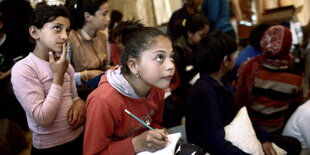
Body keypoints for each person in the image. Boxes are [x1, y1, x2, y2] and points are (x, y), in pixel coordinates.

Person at [185, 31, 301, 154]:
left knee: (293, 144)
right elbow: (216, 142)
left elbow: (237, 115)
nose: (236, 57)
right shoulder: (205, 92)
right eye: (234, 54)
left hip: (229, 132)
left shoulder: (221, 81)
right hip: (211, 148)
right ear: (226, 60)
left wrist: (263, 138)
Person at [83, 26, 175, 154]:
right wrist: (136, 144)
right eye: (159, 58)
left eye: (171, 57)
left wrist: (156, 134)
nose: (171, 66)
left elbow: (155, 123)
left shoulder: (157, 87)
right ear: (134, 65)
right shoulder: (103, 101)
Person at [11, 5, 85, 154]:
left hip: (78, 139)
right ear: (34, 32)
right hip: (50, 148)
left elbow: (74, 97)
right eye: (57, 28)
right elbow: (43, 119)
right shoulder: (24, 69)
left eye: (67, 30)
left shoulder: (65, 65)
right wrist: (57, 77)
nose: (65, 36)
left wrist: (80, 103)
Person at [234, 25, 304, 134]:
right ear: (288, 46)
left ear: (264, 41)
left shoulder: (249, 68)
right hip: (276, 128)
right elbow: (296, 103)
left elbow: (236, 93)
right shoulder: (296, 77)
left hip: (247, 125)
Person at [163, 13, 209, 128]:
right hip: (180, 93)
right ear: (190, 33)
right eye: (202, 35)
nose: (205, 38)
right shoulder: (178, 51)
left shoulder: (198, 45)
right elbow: (180, 80)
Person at [66, 0, 110, 87]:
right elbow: (63, 77)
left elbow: (106, 64)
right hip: (80, 91)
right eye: (104, 14)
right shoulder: (70, 40)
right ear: (88, 16)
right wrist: (84, 75)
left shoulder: (102, 37)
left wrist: (110, 69)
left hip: (101, 87)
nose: (108, 19)